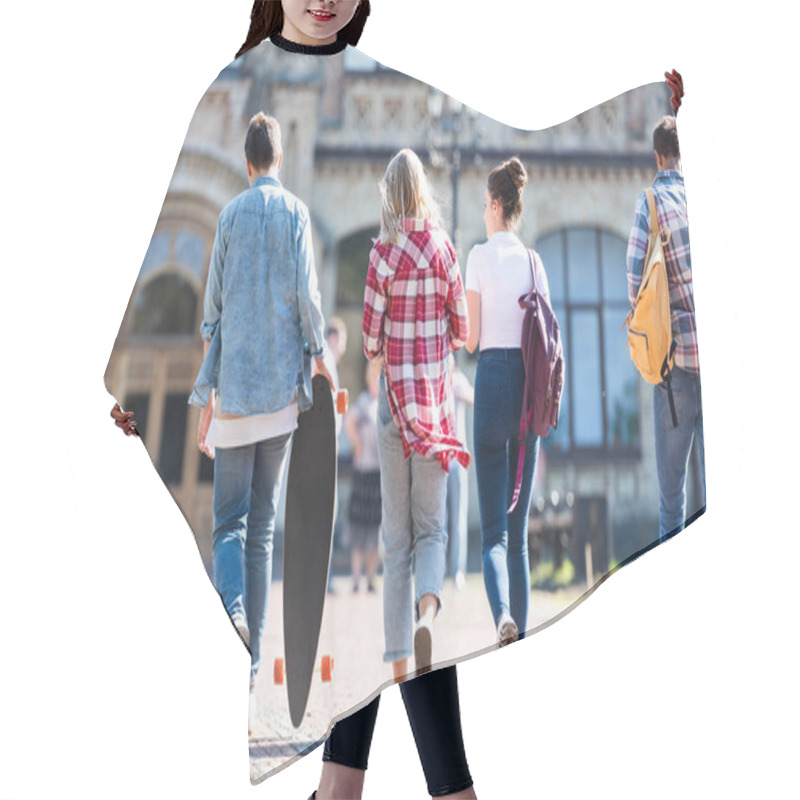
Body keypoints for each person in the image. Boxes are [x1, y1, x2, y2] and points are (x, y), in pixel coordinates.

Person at [189, 110, 334, 690]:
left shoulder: (227, 217)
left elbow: (212, 316)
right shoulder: (298, 215)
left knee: (228, 523)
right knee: (263, 529)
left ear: (247, 162)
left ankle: (233, 612)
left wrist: (207, 395)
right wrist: (320, 356)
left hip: (235, 396)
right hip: (279, 400)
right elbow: (307, 299)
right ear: (277, 157)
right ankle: (249, 669)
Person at [363, 147, 471, 682]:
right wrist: (438, 342)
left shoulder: (381, 254)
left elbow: (367, 341)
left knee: (395, 539)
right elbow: (463, 330)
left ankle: (400, 666)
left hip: (392, 406)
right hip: (434, 406)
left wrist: (389, 341)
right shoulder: (445, 249)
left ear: (389, 192)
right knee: (432, 531)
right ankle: (427, 614)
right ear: (424, 189)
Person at [465, 157, 548, 647]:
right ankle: (525, 633)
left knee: (492, 533)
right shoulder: (534, 261)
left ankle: (502, 621)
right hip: (527, 396)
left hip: (491, 383)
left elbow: (471, 341)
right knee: (519, 537)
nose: (482, 214)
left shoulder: (477, 257)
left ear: (497, 205)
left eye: (484, 205)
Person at [626, 114, 704, 543]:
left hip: (674, 369)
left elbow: (634, 279)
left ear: (657, 156)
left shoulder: (650, 204)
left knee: (671, 500)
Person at [344, 360, 382, 594]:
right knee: (359, 528)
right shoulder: (364, 402)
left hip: (379, 473)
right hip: (363, 472)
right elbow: (349, 421)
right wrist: (357, 445)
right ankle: (356, 579)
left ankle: (371, 579)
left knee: (375, 530)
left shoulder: (383, 404)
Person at [446, 355, 474, 590]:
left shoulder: (458, 380)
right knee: (438, 521)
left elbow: (473, 397)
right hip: (439, 461)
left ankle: (458, 571)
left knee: (458, 518)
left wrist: (460, 391)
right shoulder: (436, 381)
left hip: (458, 461)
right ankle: (440, 569)